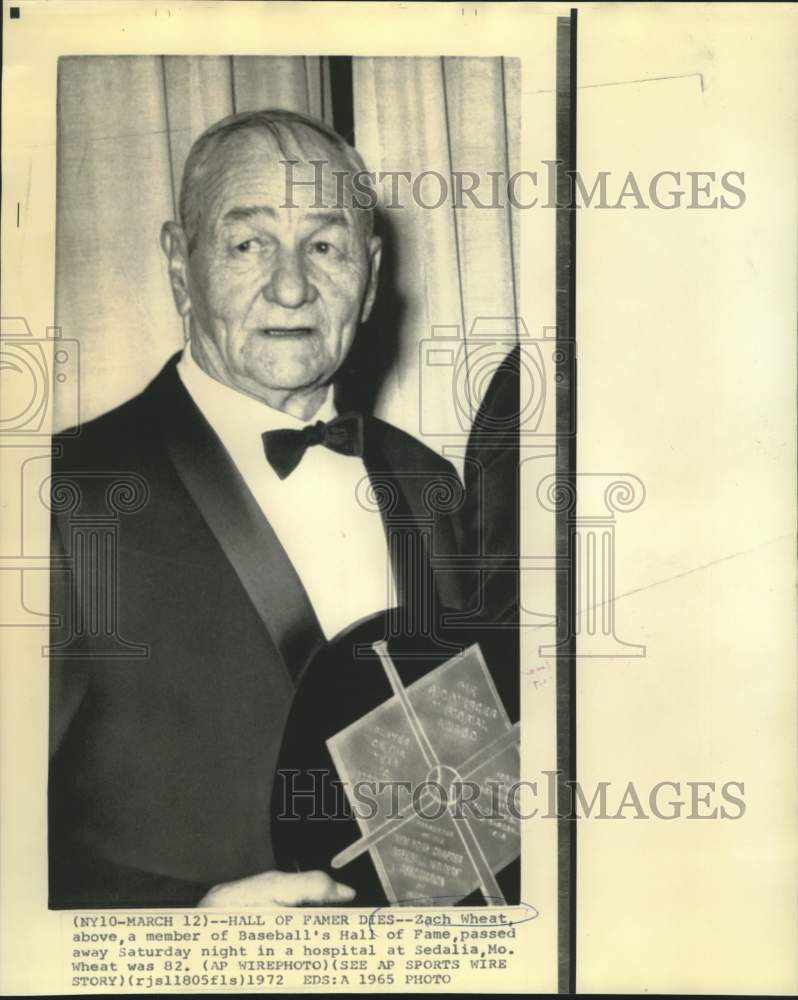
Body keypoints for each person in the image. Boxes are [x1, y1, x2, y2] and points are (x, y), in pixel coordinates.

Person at [48, 109, 469, 908]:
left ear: (371, 275)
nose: (290, 285)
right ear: (181, 265)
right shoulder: (61, 495)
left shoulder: (431, 485)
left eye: (325, 245)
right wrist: (183, 925)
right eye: (249, 244)